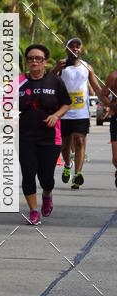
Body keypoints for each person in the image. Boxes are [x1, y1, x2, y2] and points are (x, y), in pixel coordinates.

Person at [19, 44, 71, 225]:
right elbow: (7, 106)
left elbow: (66, 103)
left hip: (50, 137)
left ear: (45, 62)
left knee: (46, 177)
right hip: (26, 137)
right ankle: (33, 211)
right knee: (28, 173)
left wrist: (56, 116)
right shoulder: (17, 83)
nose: (34, 61)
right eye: (30, 58)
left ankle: (47, 194)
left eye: (38, 58)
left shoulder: (55, 82)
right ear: (26, 61)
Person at [52, 38, 104, 189]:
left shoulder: (87, 67)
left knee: (80, 141)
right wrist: (55, 69)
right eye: (72, 46)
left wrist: (106, 103)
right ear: (66, 49)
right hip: (64, 112)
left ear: (81, 50)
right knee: (65, 144)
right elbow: (50, 82)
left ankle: (78, 174)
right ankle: (68, 164)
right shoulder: (62, 66)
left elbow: (98, 88)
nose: (75, 49)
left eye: (78, 47)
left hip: (81, 112)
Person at [102, 69, 117, 188]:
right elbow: (103, 95)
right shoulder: (113, 76)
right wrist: (112, 105)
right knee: (116, 159)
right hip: (116, 118)